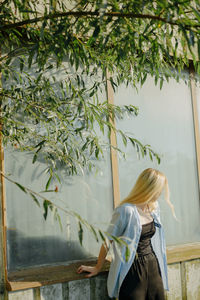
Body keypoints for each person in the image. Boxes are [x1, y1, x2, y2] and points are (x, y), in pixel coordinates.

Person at [77, 168, 175, 299]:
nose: (161, 193)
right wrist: (97, 267)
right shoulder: (126, 211)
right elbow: (108, 241)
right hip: (132, 269)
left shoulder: (152, 207)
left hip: (152, 265)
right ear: (149, 188)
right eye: (159, 190)